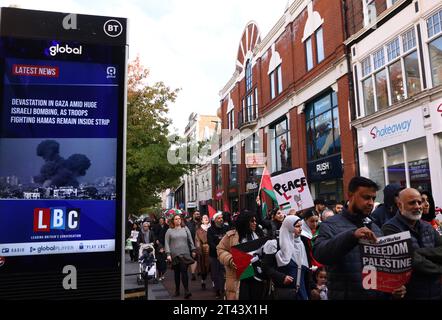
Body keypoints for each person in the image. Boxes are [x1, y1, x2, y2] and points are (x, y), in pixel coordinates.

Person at [313, 176, 406, 300]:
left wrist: (392, 289)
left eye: (373, 198)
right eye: (366, 197)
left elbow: (382, 269)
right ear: (350, 195)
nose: (371, 203)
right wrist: (352, 236)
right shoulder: (330, 225)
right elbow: (320, 253)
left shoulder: (375, 227)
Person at [382, 188, 442, 300]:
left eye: (419, 202)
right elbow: (412, 260)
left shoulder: (427, 226)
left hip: (435, 292)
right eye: (412, 203)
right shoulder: (390, 228)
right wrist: (439, 269)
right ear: (400, 205)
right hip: (411, 293)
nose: (418, 206)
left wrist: (418, 252)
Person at [217, 210, 267, 300]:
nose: (255, 223)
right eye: (252, 221)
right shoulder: (231, 236)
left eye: (256, 221)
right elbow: (220, 249)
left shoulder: (259, 234)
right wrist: (231, 260)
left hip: (258, 277)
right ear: (245, 222)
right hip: (240, 279)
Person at [262, 215, 310, 300]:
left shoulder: (301, 244)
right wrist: (281, 277)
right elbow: (266, 267)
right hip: (285, 292)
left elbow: (304, 271)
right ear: (289, 227)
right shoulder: (275, 245)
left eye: (301, 226)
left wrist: (313, 287)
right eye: (297, 226)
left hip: (301, 292)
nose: (300, 229)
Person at [165, 213, 197, 299]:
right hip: (174, 255)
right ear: (173, 221)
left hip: (185, 254)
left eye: (179, 219)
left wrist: (193, 249)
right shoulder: (169, 230)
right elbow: (167, 243)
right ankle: (177, 290)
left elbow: (190, 240)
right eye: (176, 219)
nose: (178, 220)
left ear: (181, 220)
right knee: (176, 274)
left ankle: (186, 291)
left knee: (184, 272)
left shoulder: (185, 228)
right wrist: (168, 254)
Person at [207, 212, 229, 299]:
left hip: (225, 254)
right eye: (219, 218)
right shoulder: (210, 230)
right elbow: (210, 242)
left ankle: (224, 289)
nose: (221, 219)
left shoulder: (226, 228)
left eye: (221, 218)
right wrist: (218, 249)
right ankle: (217, 290)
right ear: (214, 220)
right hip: (214, 255)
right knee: (215, 273)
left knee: (224, 273)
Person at [195, 214, 211, 290]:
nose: (206, 218)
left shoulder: (212, 228)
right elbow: (197, 241)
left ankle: (215, 283)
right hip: (203, 249)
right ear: (201, 220)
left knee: (213, 267)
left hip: (213, 248)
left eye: (207, 217)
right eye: (204, 218)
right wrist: (199, 249)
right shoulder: (199, 230)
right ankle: (203, 281)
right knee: (203, 267)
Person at [186, 211, 201, 281]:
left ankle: (199, 271)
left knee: (200, 258)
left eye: (198, 214)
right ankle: (193, 273)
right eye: (196, 214)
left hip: (201, 244)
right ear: (193, 215)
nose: (197, 215)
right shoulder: (189, 223)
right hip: (192, 243)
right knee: (194, 258)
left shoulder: (202, 223)